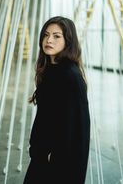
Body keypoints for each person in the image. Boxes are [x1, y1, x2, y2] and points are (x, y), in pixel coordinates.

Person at [23, 16, 90, 184]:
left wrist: (56, 156)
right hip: (43, 154)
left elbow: (78, 128)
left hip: (59, 162)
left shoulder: (70, 76)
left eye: (56, 36)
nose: (49, 40)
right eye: (46, 35)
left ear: (68, 41)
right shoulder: (50, 69)